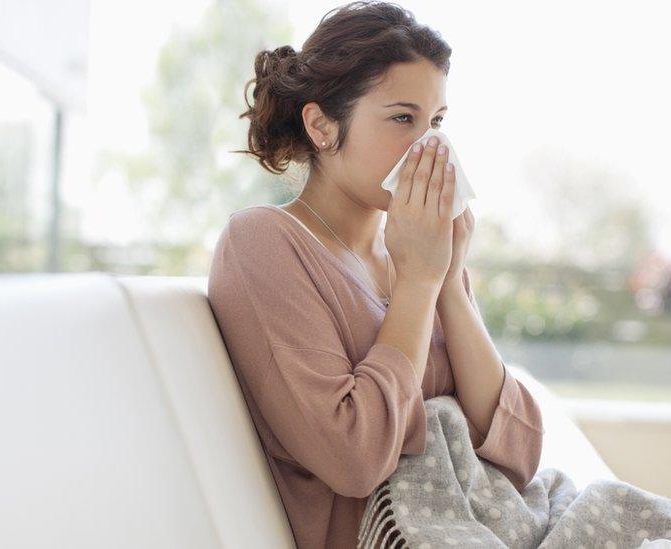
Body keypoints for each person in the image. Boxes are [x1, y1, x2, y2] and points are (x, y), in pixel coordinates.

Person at [207, 2, 544, 548]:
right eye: (402, 118)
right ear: (321, 125)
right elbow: (355, 459)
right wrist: (418, 284)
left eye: (436, 122)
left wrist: (449, 283)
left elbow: (521, 451)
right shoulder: (264, 243)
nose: (430, 147)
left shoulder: (419, 254)